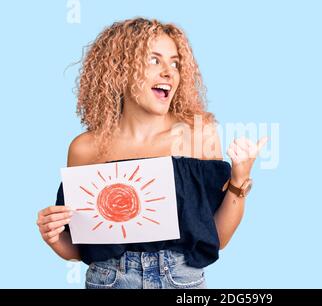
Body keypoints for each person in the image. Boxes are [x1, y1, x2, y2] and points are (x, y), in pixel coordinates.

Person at [36, 18, 267, 289]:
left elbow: (218, 238)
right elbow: (82, 250)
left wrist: (239, 179)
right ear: (120, 70)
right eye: (154, 60)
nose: (169, 72)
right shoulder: (84, 149)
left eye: (175, 62)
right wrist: (54, 237)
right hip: (109, 281)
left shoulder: (198, 136)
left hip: (182, 280)